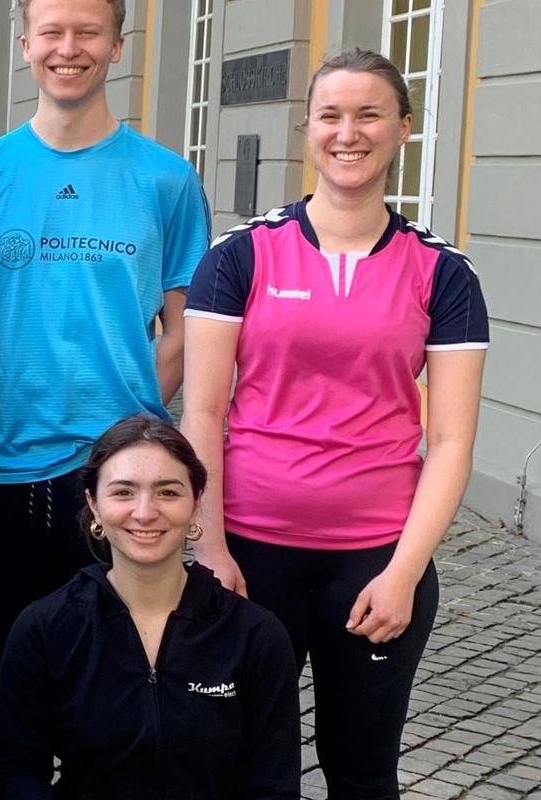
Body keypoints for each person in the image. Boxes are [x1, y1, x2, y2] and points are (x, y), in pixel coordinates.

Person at [182, 48, 488, 799]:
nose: (348, 133)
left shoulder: (442, 273)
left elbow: (448, 441)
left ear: (403, 129)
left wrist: (405, 572)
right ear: (308, 128)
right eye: (331, 115)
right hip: (251, 557)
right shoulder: (241, 256)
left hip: (375, 561)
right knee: (243, 767)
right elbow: (202, 411)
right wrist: (210, 547)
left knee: (362, 771)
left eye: (370, 114)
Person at [0, 0, 210, 695]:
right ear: (26, 44)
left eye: (88, 32)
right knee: (2, 679)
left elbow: (184, 327)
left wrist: (132, 420)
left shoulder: (167, 181)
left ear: (117, 46)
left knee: (109, 684)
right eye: (52, 32)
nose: (69, 48)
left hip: (114, 480)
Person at [0, 414, 300, 798]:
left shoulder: (256, 635)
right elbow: (18, 773)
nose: (144, 512)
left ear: (195, 503)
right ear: (93, 504)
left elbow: (273, 787)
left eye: (168, 492)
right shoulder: (44, 628)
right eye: (123, 492)